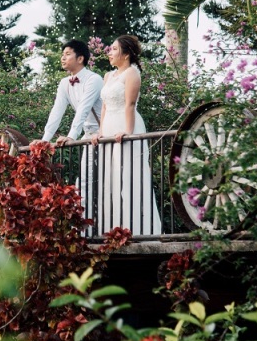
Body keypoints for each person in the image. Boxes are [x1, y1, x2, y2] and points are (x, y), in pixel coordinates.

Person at [91, 35, 161, 235]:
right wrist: (100, 132)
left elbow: (130, 105)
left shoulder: (132, 74)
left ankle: (139, 230)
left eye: (114, 49)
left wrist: (128, 133)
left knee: (130, 176)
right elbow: (104, 108)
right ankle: (112, 229)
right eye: (110, 49)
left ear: (126, 53)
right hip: (108, 128)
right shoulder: (108, 76)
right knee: (109, 177)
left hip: (127, 124)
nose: (110, 52)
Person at [32, 40, 103, 233]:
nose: (63, 57)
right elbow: (57, 112)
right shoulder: (64, 83)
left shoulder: (94, 79)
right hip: (89, 137)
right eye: (62, 53)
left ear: (80, 58)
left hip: (107, 134)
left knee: (105, 182)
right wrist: (45, 140)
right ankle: (85, 232)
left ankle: (108, 229)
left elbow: (83, 109)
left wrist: (72, 136)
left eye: (68, 53)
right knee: (85, 183)